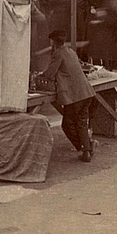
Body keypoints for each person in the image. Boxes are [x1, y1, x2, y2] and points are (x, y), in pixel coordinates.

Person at [42, 30, 96, 161]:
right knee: (81, 122)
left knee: (67, 125)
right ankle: (87, 150)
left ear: (52, 42)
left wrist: (40, 76)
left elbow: (50, 74)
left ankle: (84, 148)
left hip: (73, 96)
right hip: (86, 92)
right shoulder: (71, 51)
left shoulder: (57, 54)